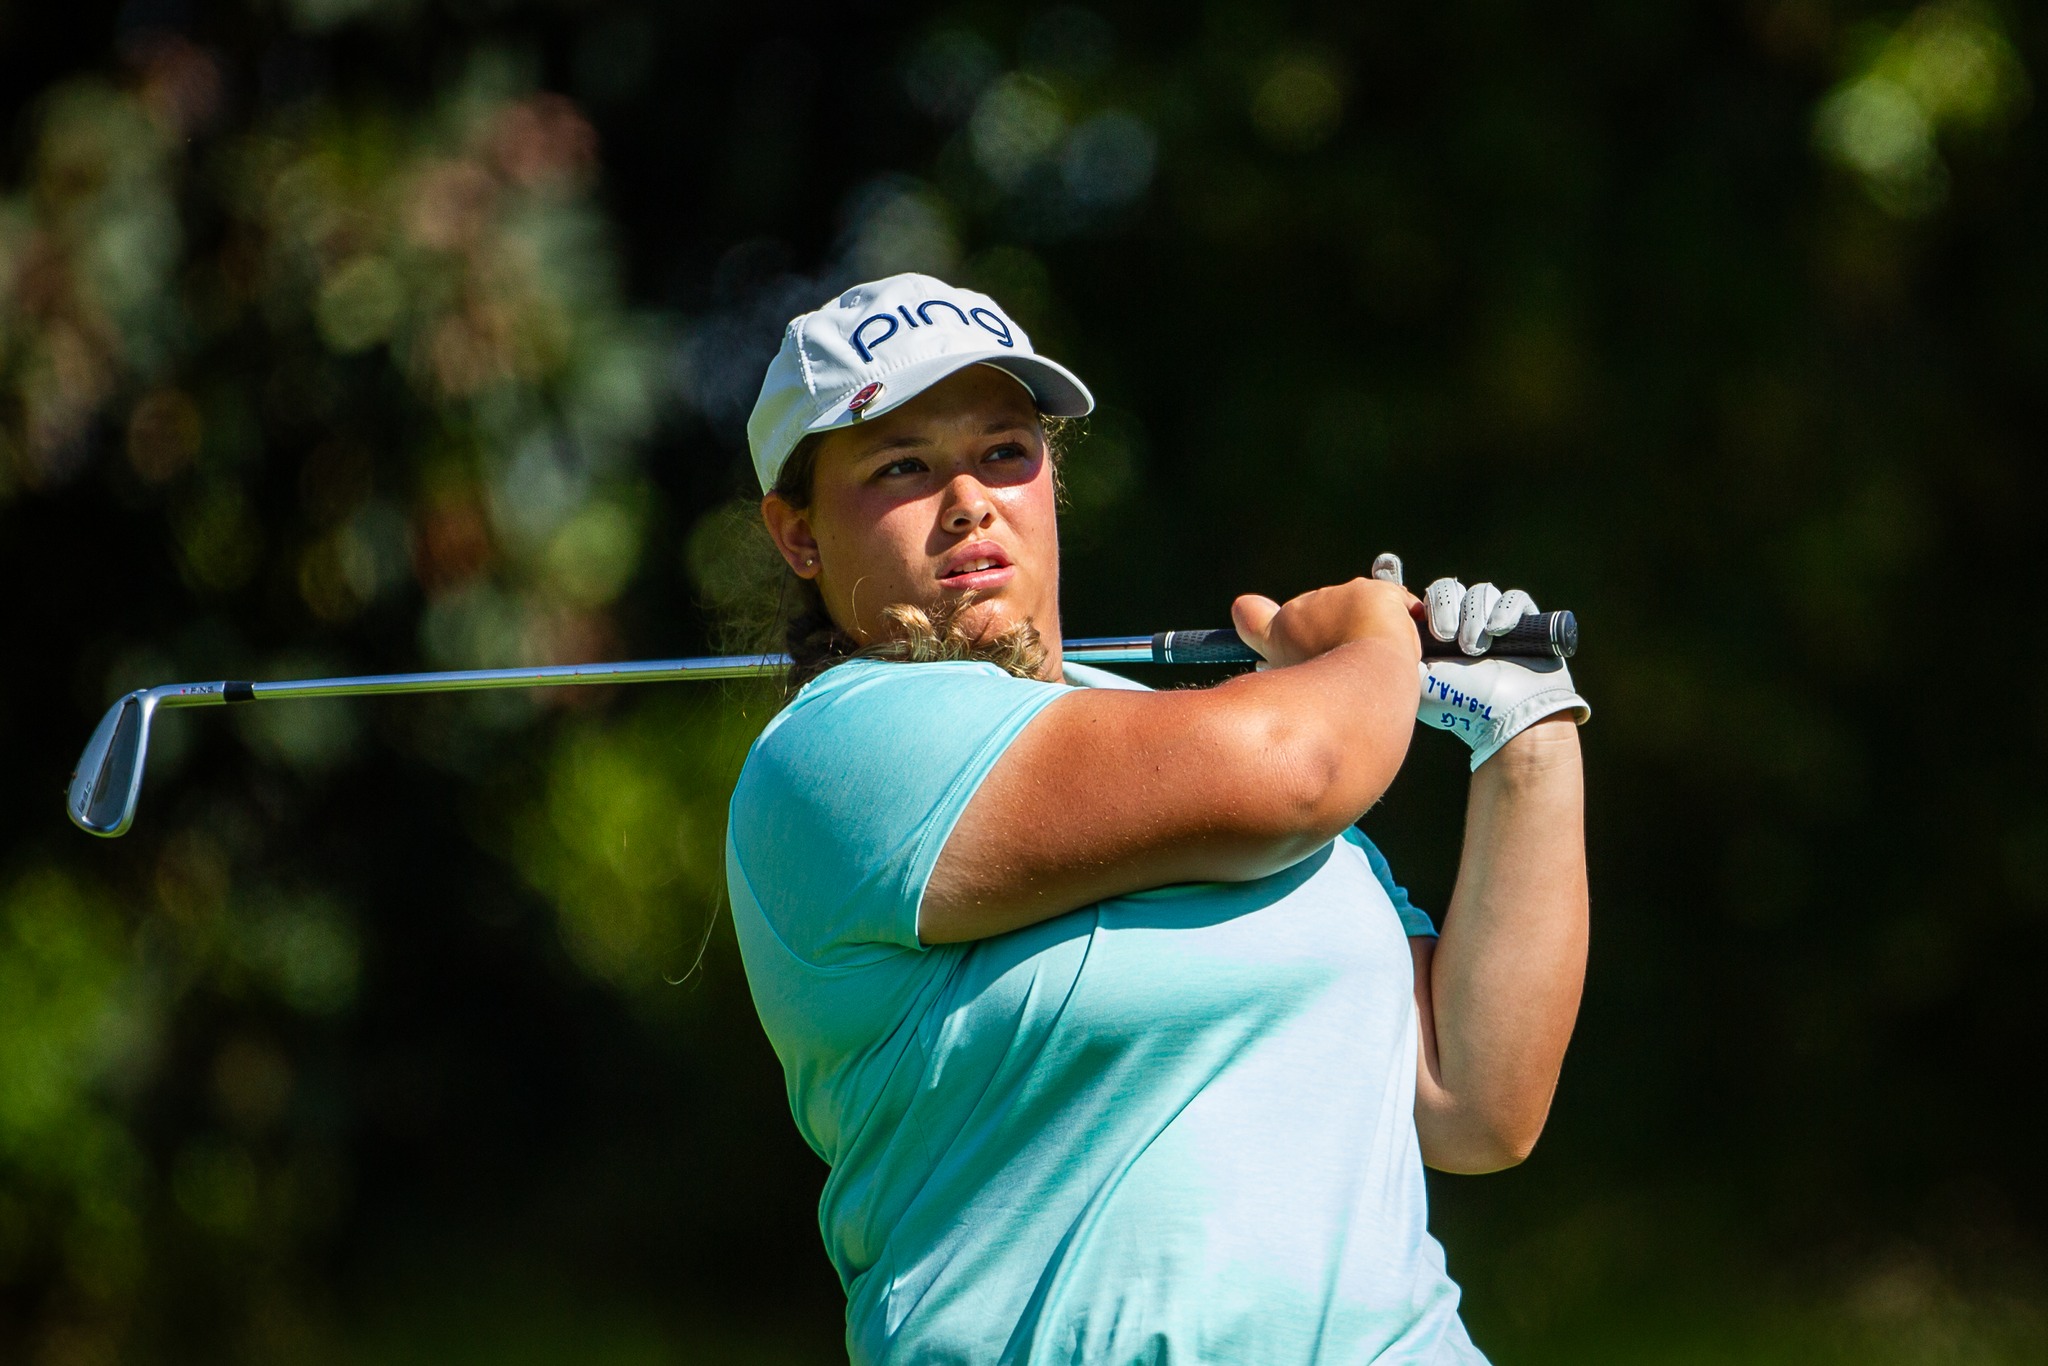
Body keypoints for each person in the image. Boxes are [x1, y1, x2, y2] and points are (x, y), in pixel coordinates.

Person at [724, 273, 1590, 1365]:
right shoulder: (836, 753)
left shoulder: (1185, 738)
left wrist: (1526, 731)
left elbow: (1472, 1101)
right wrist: (1375, 637)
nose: (967, 500)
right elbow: (1297, 766)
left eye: (1003, 451)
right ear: (795, 534)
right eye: (901, 466)